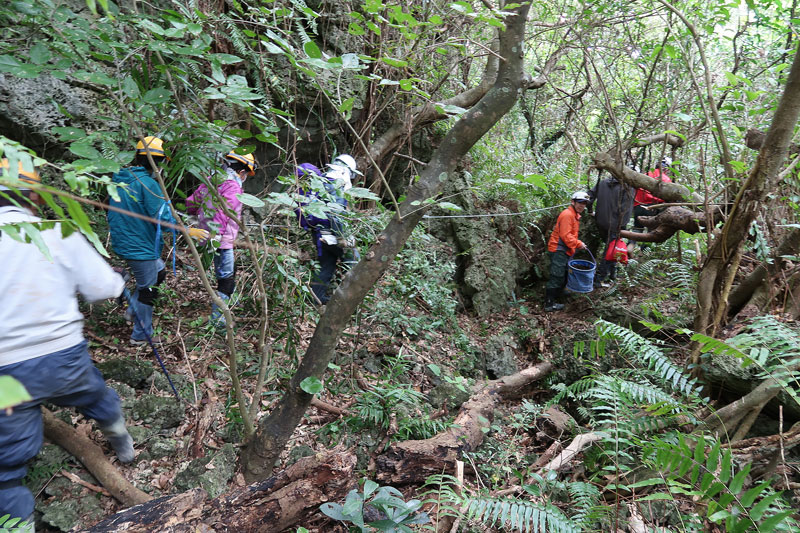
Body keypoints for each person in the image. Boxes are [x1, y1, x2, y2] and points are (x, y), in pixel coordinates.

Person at [0, 160, 135, 528]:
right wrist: (120, 284)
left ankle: (17, 523)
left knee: (7, 467)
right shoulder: (54, 230)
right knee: (95, 397)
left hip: (5, 372)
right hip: (63, 357)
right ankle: (122, 444)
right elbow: (102, 288)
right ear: (32, 194)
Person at [107, 136, 176, 345]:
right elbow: (162, 220)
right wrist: (183, 228)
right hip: (140, 246)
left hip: (125, 241)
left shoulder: (121, 179)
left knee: (159, 272)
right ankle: (141, 335)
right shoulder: (148, 185)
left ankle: (131, 309)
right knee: (148, 289)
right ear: (158, 162)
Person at [186, 150, 258, 326]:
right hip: (221, 238)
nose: (245, 176)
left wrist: (199, 218)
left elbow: (191, 202)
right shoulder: (233, 186)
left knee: (223, 272)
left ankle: (226, 304)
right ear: (242, 171)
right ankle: (219, 319)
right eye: (247, 173)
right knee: (226, 277)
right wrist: (217, 233)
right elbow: (224, 211)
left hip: (206, 235)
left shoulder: (212, 180)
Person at [295, 155, 361, 305]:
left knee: (326, 265)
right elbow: (335, 213)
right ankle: (349, 301)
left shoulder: (321, 181)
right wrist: (343, 237)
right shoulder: (338, 184)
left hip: (318, 234)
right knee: (353, 261)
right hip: (332, 234)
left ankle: (315, 298)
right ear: (348, 171)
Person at [545, 191, 590, 312]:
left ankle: (559, 297)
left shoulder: (575, 216)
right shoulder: (567, 215)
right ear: (573, 202)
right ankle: (549, 304)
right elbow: (566, 236)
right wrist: (579, 244)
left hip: (566, 250)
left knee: (564, 273)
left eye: (584, 203)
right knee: (557, 276)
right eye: (580, 202)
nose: (582, 205)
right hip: (558, 249)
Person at [588, 174, 634, 287]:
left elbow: (589, 197)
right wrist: (621, 226)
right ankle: (599, 279)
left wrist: (590, 211)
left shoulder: (602, 183)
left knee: (610, 248)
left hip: (600, 222)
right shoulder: (628, 187)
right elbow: (625, 210)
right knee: (610, 251)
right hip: (615, 225)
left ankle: (613, 274)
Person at [633, 156, 673, 231]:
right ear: (666, 168)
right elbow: (668, 196)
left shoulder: (645, 175)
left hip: (638, 206)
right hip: (653, 207)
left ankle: (632, 242)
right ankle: (646, 243)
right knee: (651, 232)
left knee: (637, 228)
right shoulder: (665, 179)